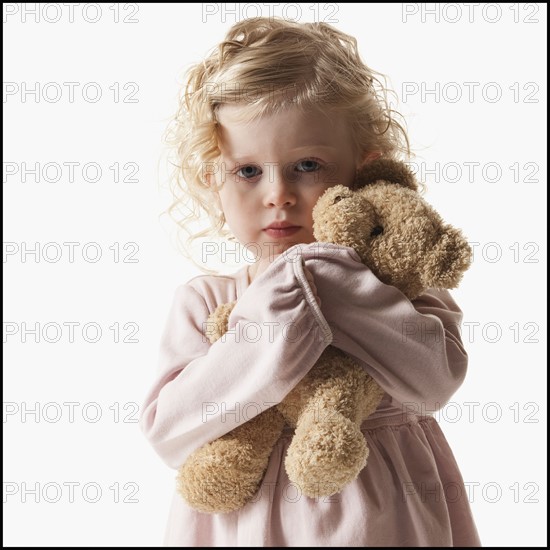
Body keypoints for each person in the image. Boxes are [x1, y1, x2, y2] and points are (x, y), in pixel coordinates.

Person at [139, 17, 481, 547]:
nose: (279, 193)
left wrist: (339, 290)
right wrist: (275, 317)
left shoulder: (404, 289)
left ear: (362, 170)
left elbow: (434, 383)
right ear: (214, 181)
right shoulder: (206, 301)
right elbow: (170, 434)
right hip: (243, 526)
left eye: (307, 165)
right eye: (248, 171)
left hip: (387, 520)